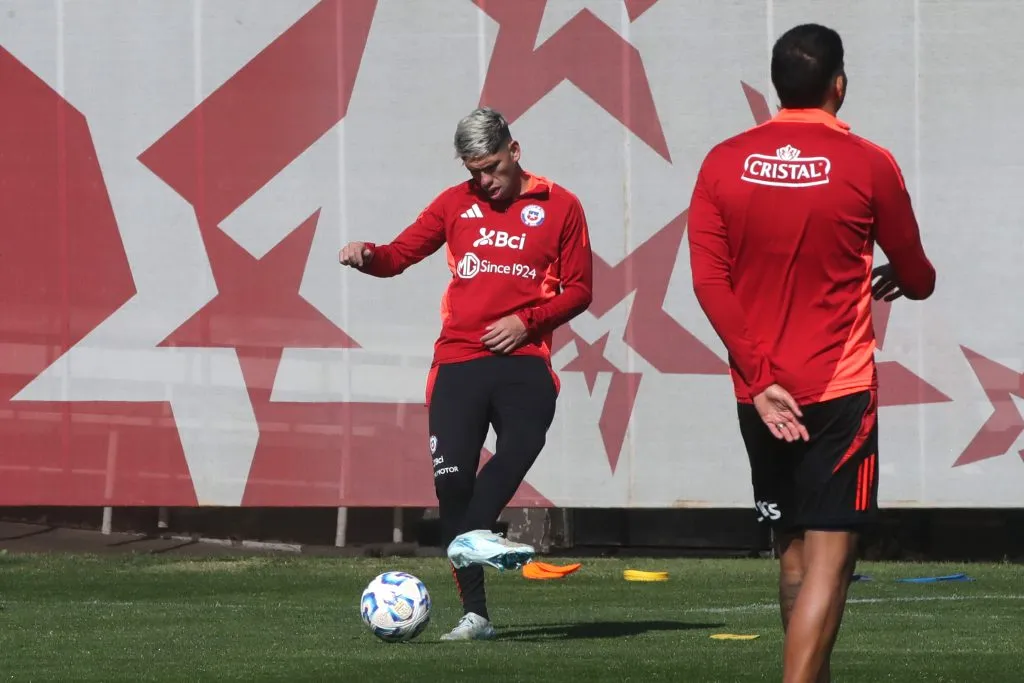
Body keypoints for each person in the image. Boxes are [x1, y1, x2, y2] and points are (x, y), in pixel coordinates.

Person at [686, 23, 936, 683]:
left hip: (758, 393)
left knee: (791, 552)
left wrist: (760, 378)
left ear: (776, 86)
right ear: (839, 85)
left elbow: (708, 282)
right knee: (830, 557)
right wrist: (902, 280)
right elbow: (918, 273)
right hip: (838, 387)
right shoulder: (867, 162)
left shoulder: (721, 160)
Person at [339, 107, 594, 641]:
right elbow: (400, 255)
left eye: (493, 167)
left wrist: (527, 322)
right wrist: (368, 256)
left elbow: (579, 290)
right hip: (458, 361)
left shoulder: (561, 205)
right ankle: (475, 615)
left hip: (524, 360)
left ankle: (475, 536)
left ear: (515, 151)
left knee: (521, 446)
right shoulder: (456, 203)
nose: (484, 181)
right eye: (474, 170)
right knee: (451, 486)